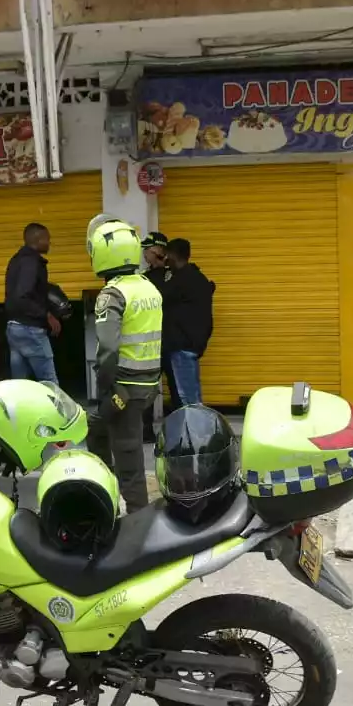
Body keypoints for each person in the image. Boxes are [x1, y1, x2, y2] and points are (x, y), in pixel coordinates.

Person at [86, 214, 163, 513]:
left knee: (127, 454)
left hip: (125, 389)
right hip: (147, 385)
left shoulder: (113, 294)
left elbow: (107, 349)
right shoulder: (148, 288)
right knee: (96, 429)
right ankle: (104, 489)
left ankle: (137, 518)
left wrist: (106, 387)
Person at [161, 238, 215, 410]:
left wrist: (162, 268)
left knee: (189, 400)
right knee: (192, 396)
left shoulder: (180, 281)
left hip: (182, 346)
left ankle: (196, 435)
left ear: (172, 255)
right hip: (192, 344)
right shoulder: (198, 278)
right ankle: (197, 433)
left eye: (167, 256)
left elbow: (160, 297)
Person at [5, 222, 61, 384]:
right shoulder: (32, 262)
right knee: (49, 382)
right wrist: (46, 314)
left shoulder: (16, 260)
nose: (49, 243)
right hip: (30, 329)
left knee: (20, 384)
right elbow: (23, 295)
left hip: (14, 328)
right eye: (47, 239)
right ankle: (56, 409)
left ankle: (18, 410)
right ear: (38, 239)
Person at [140, 231, 169, 441]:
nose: (144, 255)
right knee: (148, 389)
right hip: (153, 341)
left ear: (156, 250)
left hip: (168, 341)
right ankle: (146, 430)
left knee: (177, 391)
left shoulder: (173, 275)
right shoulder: (144, 277)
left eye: (147, 251)